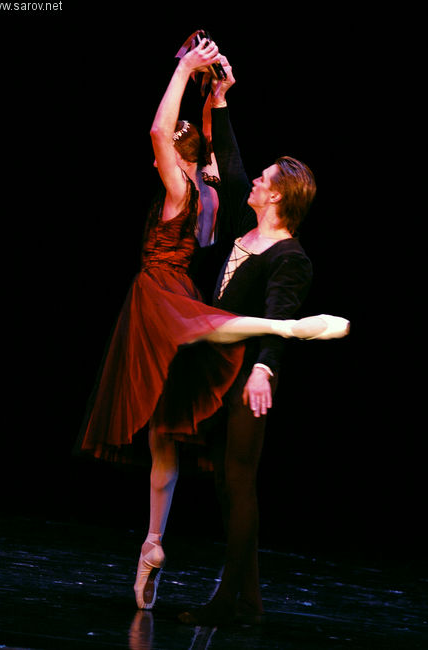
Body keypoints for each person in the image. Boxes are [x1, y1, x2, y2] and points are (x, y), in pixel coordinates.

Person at [75, 38, 349, 612]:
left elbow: (162, 134)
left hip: (209, 336)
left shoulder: (265, 241)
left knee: (234, 468)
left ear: (277, 195)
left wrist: (184, 69)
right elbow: (228, 159)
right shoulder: (227, 214)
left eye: (264, 180)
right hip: (206, 338)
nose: (253, 181)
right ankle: (174, 554)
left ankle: (235, 599)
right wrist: (216, 98)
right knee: (176, 442)